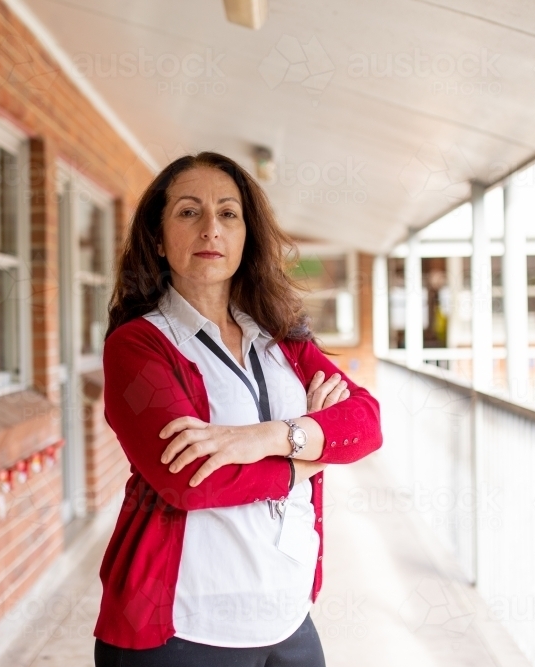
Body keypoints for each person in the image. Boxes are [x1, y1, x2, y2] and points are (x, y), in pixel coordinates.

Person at [93, 152, 383, 666]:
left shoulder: (280, 336)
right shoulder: (139, 346)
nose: (211, 229)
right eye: (188, 212)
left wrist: (263, 439)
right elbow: (188, 480)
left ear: (247, 234)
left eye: (228, 214)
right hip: (186, 623)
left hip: (286, 608)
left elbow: (365, 423)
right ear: (157, 239)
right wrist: (309, 456)